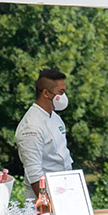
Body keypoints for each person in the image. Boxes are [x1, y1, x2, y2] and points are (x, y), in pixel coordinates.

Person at [15, 69, 74, 198]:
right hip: (44, 196)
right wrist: (46, 204)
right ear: (46, 93)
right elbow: (34, 172)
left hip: (63, 189)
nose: (63, 97)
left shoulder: (54, 117)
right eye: (61, 92)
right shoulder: (31, 126)